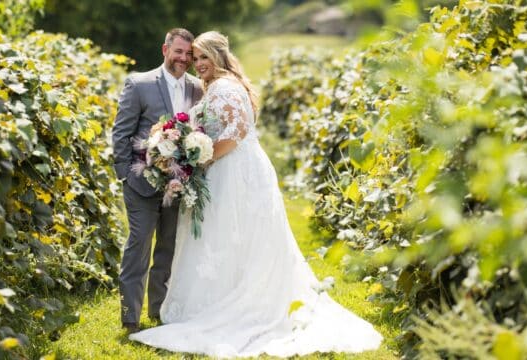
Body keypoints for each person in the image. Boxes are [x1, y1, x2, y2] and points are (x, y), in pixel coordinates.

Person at [129, 31, 383, 357]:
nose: (198, 64)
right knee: (232, 239)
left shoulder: (224, 87)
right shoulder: (224, 86)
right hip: (232, 169)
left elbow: (235, 134)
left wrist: (199, 157)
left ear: (219, 57)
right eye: (196, 58)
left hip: (234, 171)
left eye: (204, 57)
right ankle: (223, 295)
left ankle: (233, 304)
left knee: (231, 237)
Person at [112, 28, 204, 334]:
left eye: (189, 54)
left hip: (178, 185)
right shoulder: (139, 84)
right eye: (178, 51)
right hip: (140, 183)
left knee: (168, 248)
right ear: (164, 49)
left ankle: (158, 311)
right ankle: (130, 318)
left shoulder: (197, 88)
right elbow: (121, 132)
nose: (184, 59)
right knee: (138, 247)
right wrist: (124, 173)